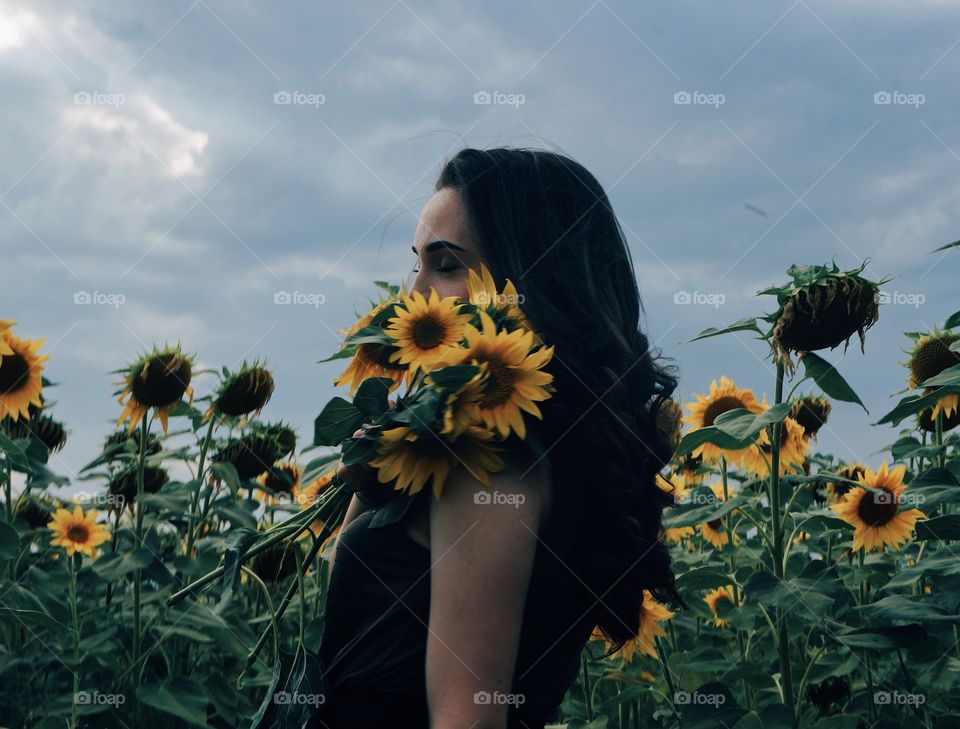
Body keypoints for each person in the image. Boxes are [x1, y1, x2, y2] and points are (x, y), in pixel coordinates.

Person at [308, 147, 687, 729]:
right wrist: (375, 482)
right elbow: (356, 638)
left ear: (526, 281)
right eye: (418, 264)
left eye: (446, 265)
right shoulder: (530, 445)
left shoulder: (488, 462)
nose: (413, 296)